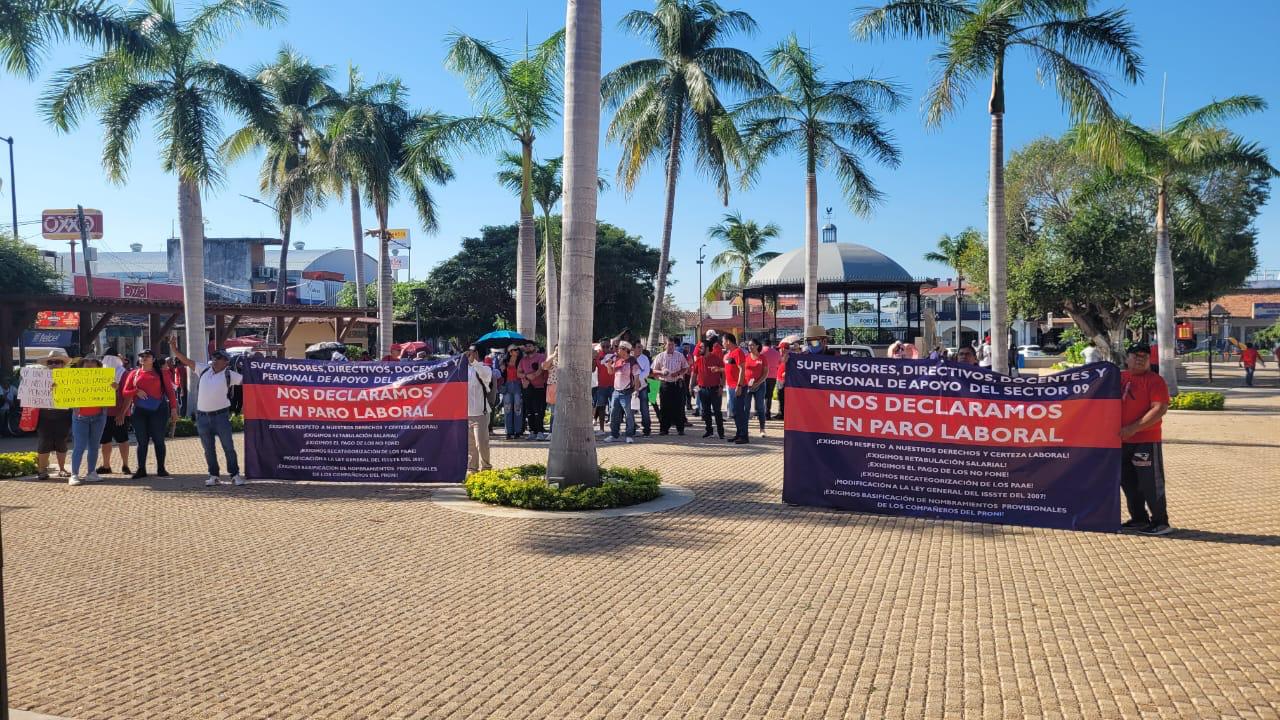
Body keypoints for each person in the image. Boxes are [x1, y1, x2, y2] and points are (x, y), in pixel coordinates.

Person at [170, 338, 243, 486]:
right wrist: (175, 349)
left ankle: (234, 475)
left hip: (221, 416)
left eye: (219, 358)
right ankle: (214, 475)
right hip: (202, 417)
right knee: (208, 449)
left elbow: (251, 382)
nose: (215, 360)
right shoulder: (203, 369)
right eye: (214, 357)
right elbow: (186, 360)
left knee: (228, 447)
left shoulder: (230, 375)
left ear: (226, 362)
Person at [1120, 345, 1172, 536]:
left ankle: (1160, 521)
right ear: (1127, 358)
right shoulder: (1119, 378)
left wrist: (1133, 428)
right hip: (1120, 441)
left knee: (1150, 482)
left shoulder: (1155, 381)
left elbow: (1159, 409)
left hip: (1145, 441)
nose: (1140, 359)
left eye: (1144, 357)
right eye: (1136, 356)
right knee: (1128, 482)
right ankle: (1139, 519)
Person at [120, 347, 177, 479]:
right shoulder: (133, 374)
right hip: (139, 411)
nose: (144, 358)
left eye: (147, 355)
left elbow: (170, 392)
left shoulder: (161, 373)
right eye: (142, 356)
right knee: (142, 441)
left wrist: (174, 409)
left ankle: (161, 468)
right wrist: (136, 391)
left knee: (158, 440)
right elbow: (124, 392)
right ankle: (141, 469)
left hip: (159, 410)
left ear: (153, 359)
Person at [67, 355, 112, 486]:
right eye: (87, 367)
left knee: (94, 446)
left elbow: (110, 396)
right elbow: (64, 395)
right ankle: (74, 474)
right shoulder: (73, 380)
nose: (90, 369)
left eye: (93, 367)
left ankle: (91, 473)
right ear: (81, 368)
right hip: (80, 417)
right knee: (79, 446)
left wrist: (114, 387)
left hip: (99, 417)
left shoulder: (105, 379)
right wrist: (57, 388)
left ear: (99, 368)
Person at [34, 352, 73, 480]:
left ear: (63, 364)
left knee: (62, 442)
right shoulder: (38, 378)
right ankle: (41, 470)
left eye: (57, 362)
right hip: (44, 416)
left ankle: (62, 469)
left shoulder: (70, 378)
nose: (54, 364)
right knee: (44, 442)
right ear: (47, 365)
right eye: (51, 362)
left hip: (63, 415)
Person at [96, 352, 132, 475]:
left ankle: (125, 465)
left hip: (119, 413)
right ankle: (107, 465)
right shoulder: (99, 374)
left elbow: (129, 397)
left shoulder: (125, 374)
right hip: (105, 413)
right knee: (106, 440)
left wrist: (122, 413)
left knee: (122, 439)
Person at [602, 341, 640, 443]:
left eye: (619, 348)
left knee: (629, 415)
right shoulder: (618, 360)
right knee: (613, 414)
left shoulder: (633, 362)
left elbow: (636, 379)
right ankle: (614, 435)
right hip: (616, 392)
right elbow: (611, 372)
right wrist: (609, 365)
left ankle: (629, 435)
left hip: (627, 392)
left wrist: (636, 391)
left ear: (625, 350)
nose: (617, 350)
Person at [465, 346, 494, 474]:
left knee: (481, 443)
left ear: (477, 353)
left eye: (471, 352)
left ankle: (486, 468)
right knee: (470, 445)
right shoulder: (464, 369)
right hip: (466, 413)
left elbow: (485, 377)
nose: (468, 355)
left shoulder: (485, 368)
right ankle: (472, 468)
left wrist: (474, 362)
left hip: (480, 413)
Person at [652, 337, 689, 435]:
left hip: (677, 383)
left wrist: (678, 373)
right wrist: (661, 372)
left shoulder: (679, 356)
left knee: (679, 406)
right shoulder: (660, 356)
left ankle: (680, 429)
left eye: (673, 345)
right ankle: (664, 429)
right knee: (665, 407)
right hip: (665, 384)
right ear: (665, 345)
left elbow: (685, 368)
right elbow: (653, 371)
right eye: (669, 344)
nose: (671, 347)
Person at [695, 336, 725, 439]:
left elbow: (723, 372)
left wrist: (721, 386)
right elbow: (694, 374)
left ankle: (721, 432)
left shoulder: (716, 358)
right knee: (706, 411)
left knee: (717, 411)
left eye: (701, 347)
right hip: (702, 390)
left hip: (715, 389)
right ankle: (709, 431)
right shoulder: (699, 360)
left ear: (707, 348)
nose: (699, 349)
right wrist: (691, 387)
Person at [722, 333, 749, 444]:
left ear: (728, 341)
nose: (722, 343)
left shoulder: (738, 352)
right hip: (731, 386)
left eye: (723, 341)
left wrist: (739, 386)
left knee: (739, 411)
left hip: (738, 386)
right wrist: (719, 369)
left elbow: (742, 369)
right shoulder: (730, 353)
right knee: (735, 412)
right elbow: (730, 369)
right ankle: (739, 434)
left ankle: (744, 436)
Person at [519, 342, 548, 441]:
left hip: (539, 387)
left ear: (535, 347)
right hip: (527, 388)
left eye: (529, 346)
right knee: (529, 411)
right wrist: (526, 376)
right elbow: (518, 372)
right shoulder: (523, 360)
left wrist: (534, 375)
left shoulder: (541, 357)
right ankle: (532, 432)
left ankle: (540, 432)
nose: (527, 348)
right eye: (526, 346)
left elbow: (541, 369)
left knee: (538, 411)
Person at [744, 339, 769, 437]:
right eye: (749, 345)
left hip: (760, 385)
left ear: (758, 346)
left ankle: (762, 429)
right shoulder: (746, 357)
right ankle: (744, 429)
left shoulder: (762, 357)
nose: (750, 347)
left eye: (752, 345)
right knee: (746, 408)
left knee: (760, 407)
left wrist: (757, 383)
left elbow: (765, 373)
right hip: (747, 385)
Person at [498, 345, 524, 440]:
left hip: (517, 385)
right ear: (510, 352)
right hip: (507, 386)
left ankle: (518, 431)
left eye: (517, 350)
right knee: (508, 409)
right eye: (515, 350)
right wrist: (502, 369)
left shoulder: (521, 361)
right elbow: (500, 375)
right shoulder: (504, 362)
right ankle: (509, 432)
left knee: (518, 409)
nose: (517, 351)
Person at [632, 341, 653, 436]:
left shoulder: (645, 359)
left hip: (643, 386)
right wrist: (633, 381)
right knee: (631, 409)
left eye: (641, 347)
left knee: (644, 408)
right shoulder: (629, 358)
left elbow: (647, 372)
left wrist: (638, 380)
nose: (640, 349)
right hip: (631, 387)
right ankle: (631, 428)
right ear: (633, 348)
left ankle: (647, 428)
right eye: (638, 347)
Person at [761, 340, 781, 419]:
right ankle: (767, 414)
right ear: (770, 344)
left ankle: (760, 413)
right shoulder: (776, 353)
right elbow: (779, 364)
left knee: (761, 395)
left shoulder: (761, 351)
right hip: (773, 376)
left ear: (763, 344)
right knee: (769, 396)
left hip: (762, 376)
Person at [775, 341, 791, 420]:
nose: (779, 351)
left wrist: (786, 373)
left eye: (780, 349)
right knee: (780, 397)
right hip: (779, 379)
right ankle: (780, 413)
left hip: (784, 380)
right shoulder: (782, 357)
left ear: (784, 349)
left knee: (782, 398)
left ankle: (782, 414)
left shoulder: (789, 357)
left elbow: (792, 369)